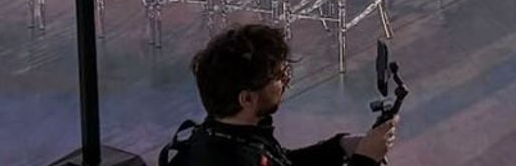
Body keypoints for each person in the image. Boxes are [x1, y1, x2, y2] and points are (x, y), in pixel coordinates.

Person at [159, 23, 397, 166]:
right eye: (279, 76)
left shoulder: (225, 133)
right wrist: (365, 160)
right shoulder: (232, 159)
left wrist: (340, 146)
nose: (286, 81)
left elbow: (281, 161)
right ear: (248, 99)